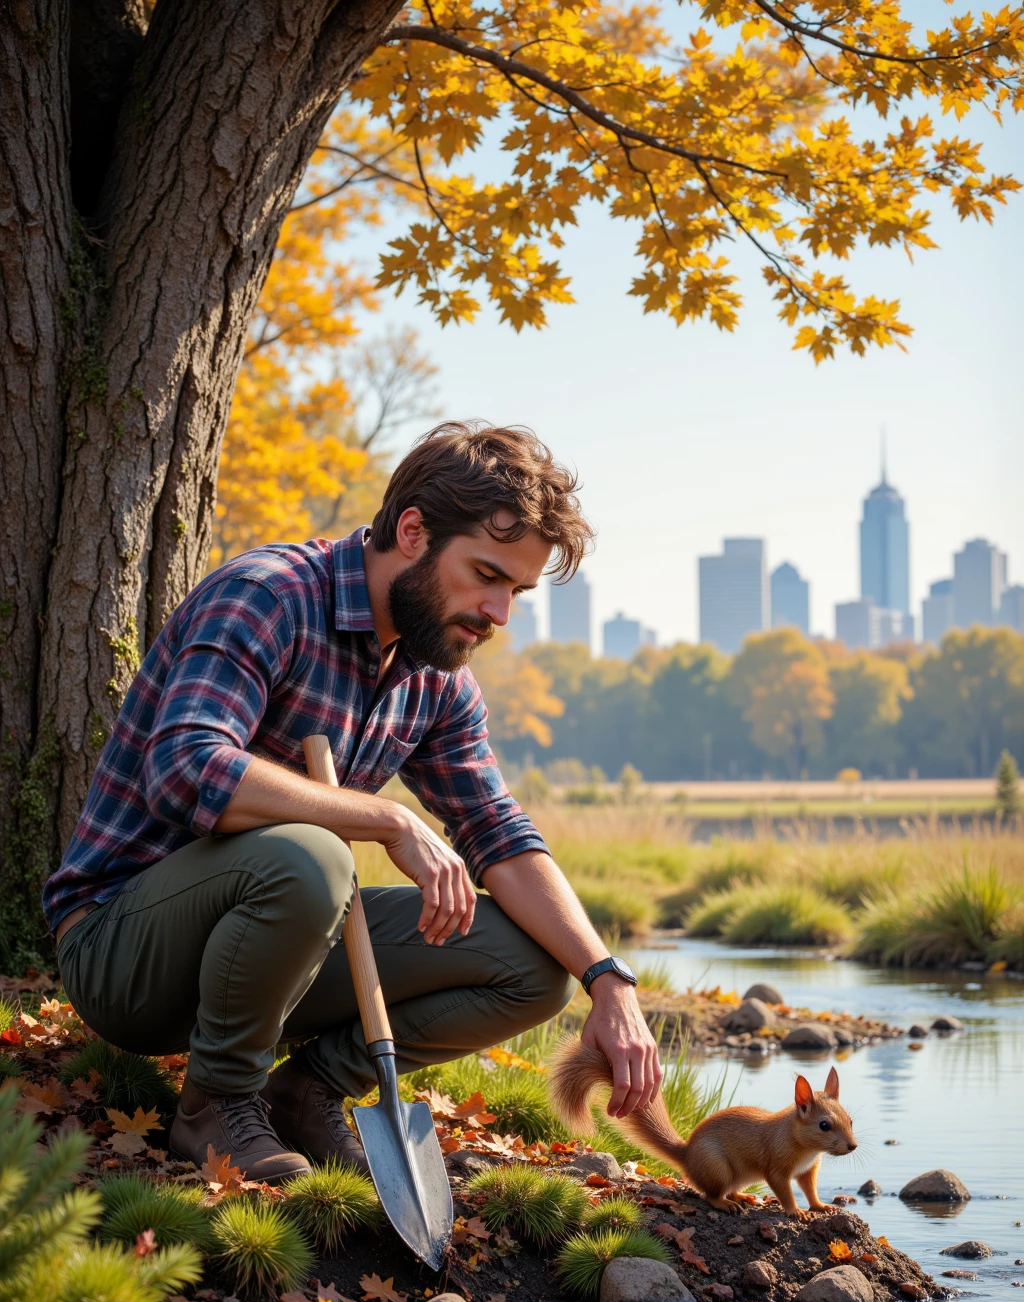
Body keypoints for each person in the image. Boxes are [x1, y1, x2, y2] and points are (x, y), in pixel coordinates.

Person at [44, 421, 662, 1182]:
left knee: (536, 968)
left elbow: (497, 833)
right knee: (311, 856)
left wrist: (608, 980)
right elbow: (185, 767)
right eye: (486, 574)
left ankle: (305, 1093)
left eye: (516, 592)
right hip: (125, 953)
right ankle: (213, 1106)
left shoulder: (438, 677)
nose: (498, 612)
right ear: (412, 531)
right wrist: (386, 818)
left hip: (263, 966)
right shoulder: (267, 597)